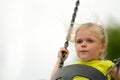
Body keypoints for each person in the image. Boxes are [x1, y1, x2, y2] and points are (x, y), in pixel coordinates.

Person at [50, 22, 120, 80]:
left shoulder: (106, 65)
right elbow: (54, 78)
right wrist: (60, 60)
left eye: (89, 41)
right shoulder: (73, 67)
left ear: (102, 47)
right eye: (79, 41)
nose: (83, 44)